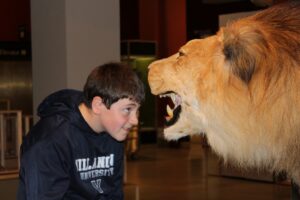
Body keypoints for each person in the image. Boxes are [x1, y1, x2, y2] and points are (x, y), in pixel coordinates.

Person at [17, 62, 145, 200]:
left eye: (137, 111)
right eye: (127, 110)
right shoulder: (49, 141)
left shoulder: (113, 134)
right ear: (98, 105)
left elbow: (114, 194)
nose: (135, 120)